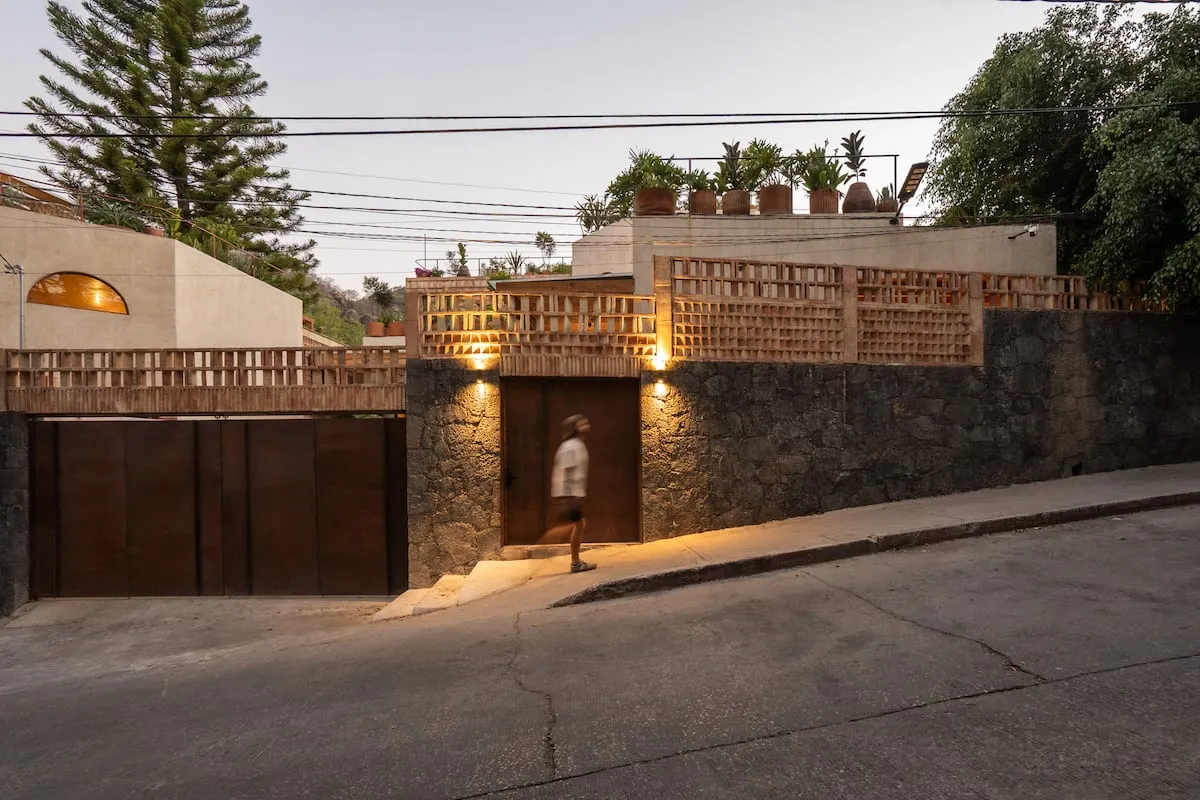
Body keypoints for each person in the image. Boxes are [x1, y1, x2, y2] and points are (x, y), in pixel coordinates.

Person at [548, 414, 596, 573]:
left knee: (578, 524)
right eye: (583, 423)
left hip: (570, 494)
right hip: (568, 495)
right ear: (575, 428)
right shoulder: (570, 446)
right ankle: (575, 562)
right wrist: (570, 497)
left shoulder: (576, 444)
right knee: (578, 524)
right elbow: (565, 472)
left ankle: (575, 561)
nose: (587, 425)